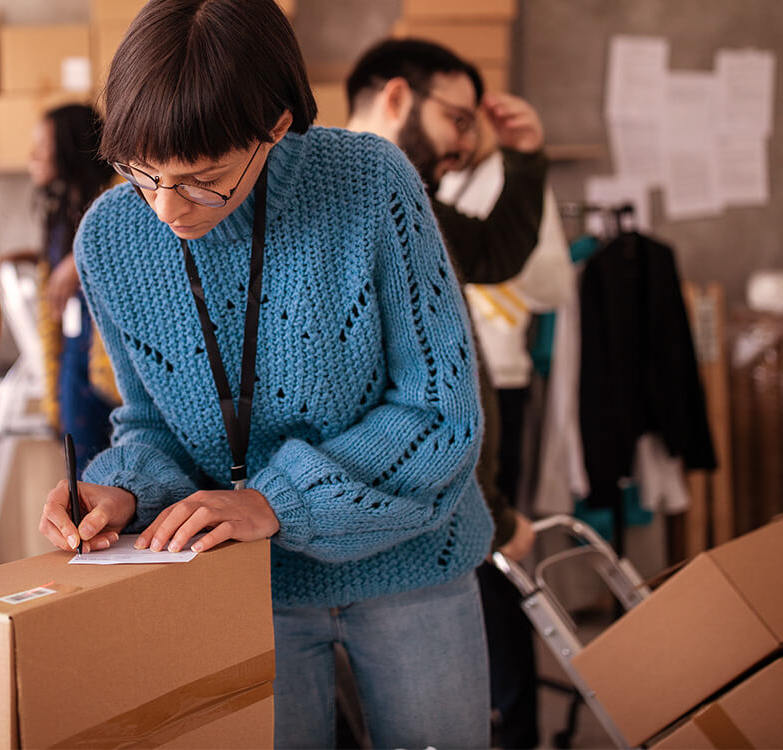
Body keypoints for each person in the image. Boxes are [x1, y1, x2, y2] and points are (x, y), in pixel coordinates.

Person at [37, 1, 493, 747]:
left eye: (202, 179)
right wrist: (121, 489)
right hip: (240, 589)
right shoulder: (110, 238)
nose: (166, 208)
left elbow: (440, 414)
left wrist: (273, 500)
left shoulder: (369, 183)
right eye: (142, 174)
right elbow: (148, 421)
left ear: (276, 126)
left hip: (412, 569)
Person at [346, 39, 549, 748]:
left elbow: (498, 250)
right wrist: (490, 504)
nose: (465, 146)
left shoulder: (419, 207)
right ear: (398, 96)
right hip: (399, 523)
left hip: (450, 504)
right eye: (458, 121)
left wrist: (522, 157)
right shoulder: (343, 207)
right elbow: (397, 399)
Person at [27, 103, 119, 470]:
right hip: (75, 359)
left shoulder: (118, 203)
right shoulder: (61, 209)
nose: (31, 155)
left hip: (105, 371)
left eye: (41, 145)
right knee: (82, 478)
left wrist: (79, 259)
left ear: (68, 147)